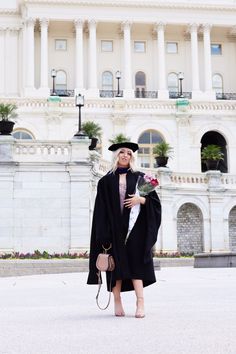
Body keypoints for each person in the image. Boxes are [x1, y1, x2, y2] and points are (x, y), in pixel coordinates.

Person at [87, 141, 161, 318]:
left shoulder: (141, 178)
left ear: (132, 157)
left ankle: (140, 303)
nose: (125, 155)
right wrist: (102, 233)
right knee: (115, 268)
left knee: (136, 265)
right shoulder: (105, 181)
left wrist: (140, 200)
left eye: (129, 153)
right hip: (114, 230)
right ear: (116, 155)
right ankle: (117, 301)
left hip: (134, 230)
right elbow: (100, 209)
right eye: (122, 152)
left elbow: (156, 204)